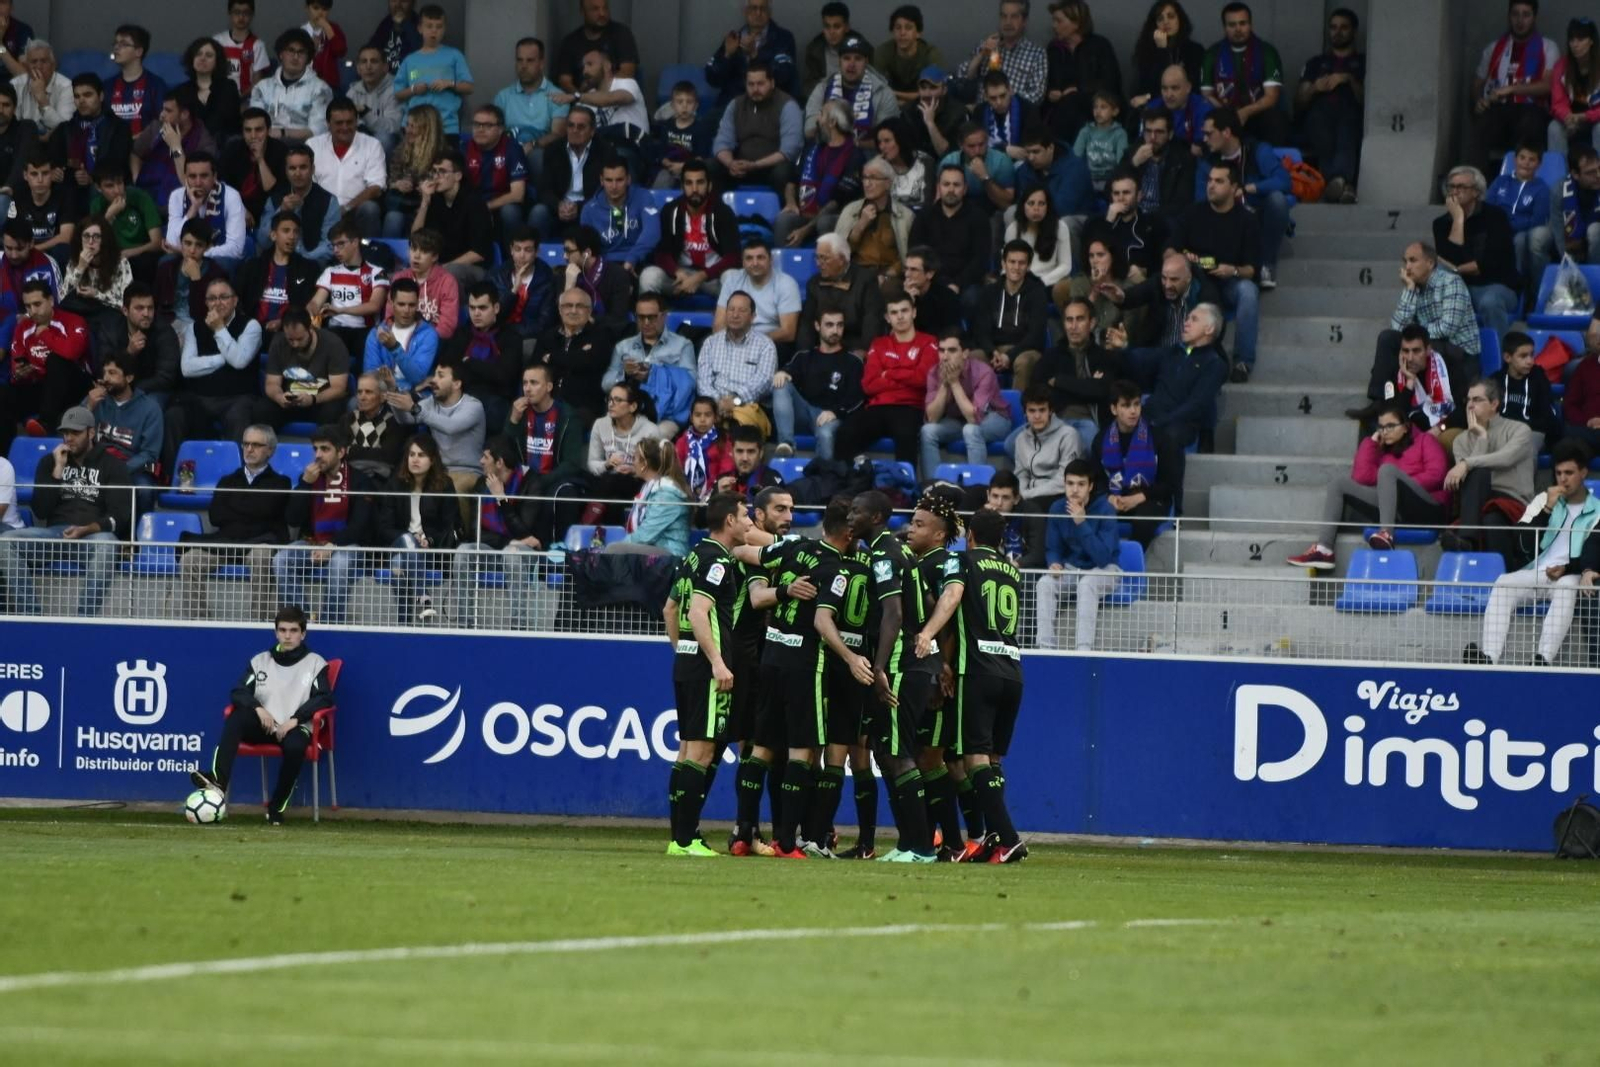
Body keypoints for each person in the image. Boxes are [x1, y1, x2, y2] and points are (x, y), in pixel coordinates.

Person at [916, 502, 1028, 861]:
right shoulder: (1012, 571)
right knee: (992, 760)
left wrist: (927, 634)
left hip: (978, 670)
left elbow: (951, 597)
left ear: (970, 536)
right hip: (1012, 670)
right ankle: (994, 838)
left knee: (973, 757)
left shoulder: (961, 561)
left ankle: (1009, 839)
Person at [663, 491, 751, 856]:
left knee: (687, 751)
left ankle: (682, 837)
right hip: (705, 668)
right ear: (730, 521)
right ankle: (685, 841)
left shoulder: (694, 554)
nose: (750, 522)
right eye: (745, 516)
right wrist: (715, 660)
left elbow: (670, 609)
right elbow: (697, 612)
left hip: (686, 663)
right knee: (701, 752)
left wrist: (682, 649)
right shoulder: (718, 561)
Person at [189, 606, 334, 825]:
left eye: (293, 631)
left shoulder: (315, 663)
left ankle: (276, 807)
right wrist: (258, 708)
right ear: (276, 633)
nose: (287, 636)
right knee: (236, 718)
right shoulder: (260, 661)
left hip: (295, 728)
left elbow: (324, 698)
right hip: (265, 726)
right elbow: (238, 692)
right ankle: (218, 783)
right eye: (282, 630)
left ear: (303, 634)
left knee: (295, 748)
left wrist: (295, 719)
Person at [1465, 440, 1598, 666]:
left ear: (1583, 473)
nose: (1563, 479)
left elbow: (1593, 554)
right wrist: (1546, 509)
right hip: (1539, 571)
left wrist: (1567, 568)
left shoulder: (1597, 511)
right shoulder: (1542, 500)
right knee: (1503, 582)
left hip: (1571, 574)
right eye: (1558, 473)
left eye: (1569, 473)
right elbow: (1522, 544)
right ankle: (1489, 657)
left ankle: (1543, 658)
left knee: (1567, 586)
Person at [1287, 399, 1451, 570]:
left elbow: (1437, 475)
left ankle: (1386, 534)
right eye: (1381, 427)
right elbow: (1361, 477)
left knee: (1387, 471)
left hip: (1428, 508)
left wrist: (1401, 483)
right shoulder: (1382, 451)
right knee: (1339, 484)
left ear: (1405, 427)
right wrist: (1371, 443)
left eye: (1390, 426)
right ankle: (1324, 550)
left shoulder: (1425, 440)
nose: (1385, 432)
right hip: (1396, 510)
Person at [1, 406, 128, 617]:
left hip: (92, 537)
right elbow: (41, 511)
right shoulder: (49, 462)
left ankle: (84, 621)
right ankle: (31, 616)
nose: (69, 438)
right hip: (54, 535)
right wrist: (57, 471)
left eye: (75, 433)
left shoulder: (113, 465)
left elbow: (120, 516)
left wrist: (87, 529)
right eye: (65, 432)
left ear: (91, 433)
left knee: (108, 543)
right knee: (6, 541)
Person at [176, 423, 291, 620]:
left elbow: (267, 511)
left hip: (258, 543)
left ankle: (259, 621)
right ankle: (198, 622)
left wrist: (237, 508)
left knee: (261, 555)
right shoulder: (227, 481)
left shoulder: (281, 482)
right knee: (190, 559)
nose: (249, 449)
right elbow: (216, 516)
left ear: (270, 450)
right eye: (246, 444)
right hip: (226, 543)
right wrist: (254, 509)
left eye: (256, 445)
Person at [1166, 163, 1259, 381]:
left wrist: (1233, 270)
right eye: (1209, 180)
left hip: (1228, 282)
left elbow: (1251, 269)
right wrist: (1181, 261)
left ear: (1234, 188)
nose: (1211, 185)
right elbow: (1169, 249)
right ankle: (1176, 356)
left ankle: (1243, 362)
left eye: (1219, 181)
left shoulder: (1247, 220)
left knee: (1248, 291)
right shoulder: (1193, 213)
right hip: (1195, 279)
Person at [274, 423, 374, 624]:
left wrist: (332, 545)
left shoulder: (361, 481)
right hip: (313, 543)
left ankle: (330, 623)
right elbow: (292, 519)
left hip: (348, 546)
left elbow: (360, 526)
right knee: (281, 559)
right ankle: (302, 620)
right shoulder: (309, 479)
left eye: (325, 449)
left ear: (341, 452)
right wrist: (305, 484)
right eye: (315, 449)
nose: (318, 455)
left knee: (340, 562)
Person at [1133, 303, 1228, 493]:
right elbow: (1141, 359)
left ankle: (1172, 502)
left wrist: (1161, 421)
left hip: (1181, 425)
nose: (1186, 323)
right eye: (1187, 318)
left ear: (1209, 329)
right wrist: (1123, 347)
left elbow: (1197, 405)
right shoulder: (1173, 352)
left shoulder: (1214, 364)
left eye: (1194, 319)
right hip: (1153, 414)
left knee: (1170, 437)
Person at [165, 276, 261, 457]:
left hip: (237, 397)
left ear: (235, 300)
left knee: (238, 416)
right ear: (206, 303)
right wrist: (223, 358)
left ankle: (235, 472)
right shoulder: (194, 327)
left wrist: (219, 329)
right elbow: (187, 368)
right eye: (212, 298)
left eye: (224, 297)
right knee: (174, 416)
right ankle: (173, 472)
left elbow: (239, 362)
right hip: (200, 398)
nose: (218, 303)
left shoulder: (251, 326)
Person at [836, 289, 936, 463]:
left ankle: (904, 481)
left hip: (911, 407)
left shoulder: (928, 342)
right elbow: (869, 385)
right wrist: (907, 375)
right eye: (894, 312)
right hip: (878, 407)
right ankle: (846, 479)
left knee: (906, 436)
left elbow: (922, 379)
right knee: (845, 432)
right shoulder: (879, 344)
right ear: (887, 318)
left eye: (904, 310)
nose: (900, 316)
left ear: (914, 312)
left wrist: (888, 373)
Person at [1444, 377, 1538, 558]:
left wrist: (1467, 463)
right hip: (1477, 501)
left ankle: (1497, 569)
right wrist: (1481, 438)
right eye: (1468, 400)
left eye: (1477, 400)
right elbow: (1466, 478)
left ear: (1494, 404)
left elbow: (1506, 458)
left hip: (1512, 499)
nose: (1470, 405)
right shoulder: (1460, 440)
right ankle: (1467, 541)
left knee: (1492, 519)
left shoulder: (1519, 429)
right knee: (1478, 475)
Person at [452, 435, 542, 625]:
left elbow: (525, 533)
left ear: (499, 462)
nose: (480, 461)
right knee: (463, 551)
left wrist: (501, 498)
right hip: (496, 549)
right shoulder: (481, 485)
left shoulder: (531, 482)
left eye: (485, 457)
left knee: (512, 553)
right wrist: (508, 541)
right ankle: (465, 622)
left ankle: (519, 625)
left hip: (525, 554)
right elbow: (475, 533)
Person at [1197, 107, 1288, 290]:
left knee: (1277, 200)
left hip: (1257, 215)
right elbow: (1200, 199)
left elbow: (1284, 181)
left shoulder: (1257, 150)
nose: (1204, 139)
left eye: (1209, 133)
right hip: (1225, 219)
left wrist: (1248, 189)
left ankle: (1266, 265)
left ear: (1226, 132)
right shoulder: (1207, 161)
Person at [1035, 457, 1119, 651]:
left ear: (1090, 486)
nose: (1074, 489)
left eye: (1081, 484)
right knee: (1045, 583)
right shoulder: (1057, 508)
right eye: (1070, 483)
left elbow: (1103, 558)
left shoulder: (1105, 509)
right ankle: (1045, 648)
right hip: (1072, 569)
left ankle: (1083, 650)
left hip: (1106, 570)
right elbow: (1053, 548)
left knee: (1087, 584)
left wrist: (1081, 523)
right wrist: (1054, 562)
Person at [377, 432, 460, 624]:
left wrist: (429, 540)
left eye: (421, 455)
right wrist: (412, 538)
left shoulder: (444, 485)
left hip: (431, 552)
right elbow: (384, 527)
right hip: (400, 544)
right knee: (407, 541)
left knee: (398, 564)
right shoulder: (395, 484)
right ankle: (423, 597)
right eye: (411, 454)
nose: (415, 459)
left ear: (432, 460)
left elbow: (451, 525)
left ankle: (404, 624)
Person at [1434, 165, 1520, 337]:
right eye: (1451, 187)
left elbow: (1491, 262)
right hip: (1460, 288)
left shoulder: (1496, 216)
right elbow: (1449, 259)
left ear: (1476, 192)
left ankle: (1501, 352)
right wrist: (1458, 219)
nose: (1455, 192)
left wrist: (1457, 269)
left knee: (1490, 302)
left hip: (1496, 285)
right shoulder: (1441, 223)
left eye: (1461, 187)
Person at [1089, 380, 1176, 547]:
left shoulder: (1159, 438)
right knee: (1093, 516)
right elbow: (1096, 480)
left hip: (1150, 498)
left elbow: (1168, 485)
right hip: (1115, 497)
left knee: (1143, 521)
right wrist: (1109, 497)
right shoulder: (1101, 440)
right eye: (1126, 405)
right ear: (1114, 409)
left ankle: (1131, 560)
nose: (1133, 411)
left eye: (1136, 404)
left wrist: (1138, 498)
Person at [507, 362, 586, 546]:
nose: (527, 388)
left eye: (534, 383)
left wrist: (540, 482)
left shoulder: (568, 416)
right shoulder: (519, 412)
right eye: (525, 383)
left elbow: (571, 463)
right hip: (524, 478)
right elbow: (505, 451)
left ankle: (561, 551)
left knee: (565, 495)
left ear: (549, 386)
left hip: (553, 478)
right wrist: (513, 421)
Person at [920, 328, 1011, 481]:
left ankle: (977, 486)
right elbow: (932, 418)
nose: (945, 357)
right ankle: (932, 485)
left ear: (965, 353)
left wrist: (954, 383)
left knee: (971, 430)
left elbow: (973, 418)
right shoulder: (934, 372)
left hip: (994, 418)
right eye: (941, 350)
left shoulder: (983, 372)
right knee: (927, 431)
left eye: (952, 350)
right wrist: (944, 384)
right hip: (958, 420)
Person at [772, 306, 862, 460]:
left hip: (833, 416)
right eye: (829, 325)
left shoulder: (852, 361)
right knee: (781, 383)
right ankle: (786, 444)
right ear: (817, 326)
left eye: (839, 325)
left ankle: (825, 473)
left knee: (825, 433)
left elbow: (857, 397)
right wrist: (782, 373)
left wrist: (835, 412)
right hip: (804, 412)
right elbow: (789, 371)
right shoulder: (804, 357)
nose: (835, 330)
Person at [3, 278, 89, 438]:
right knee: (4, 394)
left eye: (37, 304)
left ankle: (46, 423)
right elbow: (16, 364)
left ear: (51, 300)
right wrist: (20, 373)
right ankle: (5, 448)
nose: (32, 311)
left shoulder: (74, 321)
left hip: (74, 386)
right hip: (42, 386)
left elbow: (72, 352)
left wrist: (45, 334)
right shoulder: (23, 328)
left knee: (55, 360)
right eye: (28, 306)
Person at [642, 160, 739, 300]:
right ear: (682, 187)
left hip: (713, 276)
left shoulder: (723, 212)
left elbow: (733, 257)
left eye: (700, 182)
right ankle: (653, 313)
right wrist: (676, 271)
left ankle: (725, 314)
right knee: (649, 276)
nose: (694, 189)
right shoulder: (670, 210)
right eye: (689, 183)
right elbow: (661, 253)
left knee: (732, 277)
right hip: (681, 276)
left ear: (709, 186)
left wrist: (701, 276)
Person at [1475, 0, 1560, 159]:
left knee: (1530, 121)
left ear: (1534, 17)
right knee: (1484, 122)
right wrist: (1478, 101)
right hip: (1498, 108)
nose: (1520, 21)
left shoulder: (1548, 47)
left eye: (1526, 15)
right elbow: (1478, 83)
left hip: (1532, 109)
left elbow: (1548, 85)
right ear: (1509, 17)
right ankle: (1477, 174)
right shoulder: (1494, 48)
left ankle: (1522, 173)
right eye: (1515, 14)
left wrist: (1512, 89)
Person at [604, 291, 696, 435]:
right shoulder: (623, 347)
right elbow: (606, 384)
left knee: (654, 435)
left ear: (664, 316)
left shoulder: (682, 345)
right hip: (628, 410)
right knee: (603, 428)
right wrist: (624, 375)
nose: (646, 322)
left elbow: (691, 383)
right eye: (641, 317)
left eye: (651, 317)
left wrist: (653, 375)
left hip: (666, 415)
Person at [1296, 8, 1363, 204]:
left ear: (1354, 31)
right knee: (1320, 124)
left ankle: (1335, 182)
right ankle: (1343, 185)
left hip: (1351, 115)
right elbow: (1299, 103)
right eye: (1333, 27)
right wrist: (1315, 88)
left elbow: (1367, 101)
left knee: (1348, 126)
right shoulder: (1316, 63)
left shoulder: (1364, 62)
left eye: (1344, 27)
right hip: (1320, 116)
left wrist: (1348, 79)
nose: (1337, 32)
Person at [1355, 324, 1468, 442]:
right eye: (1405, 351)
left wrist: (1440, 428)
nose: (1410, 358)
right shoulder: (1395, 373)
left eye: (1416, 351)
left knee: (1448, 438)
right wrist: (1409, 383)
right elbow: (1394, 417)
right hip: (1411, 434)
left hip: (1443, 429)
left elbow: (1462, 409)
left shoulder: (1448, 367)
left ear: (1428, 350)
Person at [777, 98, 863, 248]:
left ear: (832, 122)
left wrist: (805, 230)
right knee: (784, 220)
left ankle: (828, 262)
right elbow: (792, 179)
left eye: (821, 114)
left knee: (824, 222)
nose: (817, 119)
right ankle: (783, 261)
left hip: (836, 216)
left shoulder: (855, 156)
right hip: (806, 213)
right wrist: (790, 202)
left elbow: (837, 201)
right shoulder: (812, 147)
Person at [710, 61, 803, 198]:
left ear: (772, 83)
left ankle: (784, 210)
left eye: (760, 84)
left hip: (772, 168)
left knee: (784, 172)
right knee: (709, 167)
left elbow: (789, 151)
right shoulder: (736, 105)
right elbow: (722, 143)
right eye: (751, 84)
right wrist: (730, 163)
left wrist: (755, 165)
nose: (755, 89)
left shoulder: (787, 105)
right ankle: (715, 209)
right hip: (740, 168)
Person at [1199, 2, 1288, 145]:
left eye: (1242, 23)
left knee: (1275, 118)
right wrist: (1227, 114)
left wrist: (1245, 112)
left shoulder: (1267, 52)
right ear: (1224, 27)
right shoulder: (1212, 54)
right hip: (1224, 115)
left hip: (1257, 113)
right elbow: (1206, 95)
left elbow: (1271, 97)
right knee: (1205, 116)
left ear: (1250, 25)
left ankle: (1269, 157)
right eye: (1232, 25)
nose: (1238, 29)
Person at [1037, 297, 1121, 446]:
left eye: (1080, 319)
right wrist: (1088, 385)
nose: (1073, 326)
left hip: (1087, 422)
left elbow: (1102, 390)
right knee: (1011, 443)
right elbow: (1037, 392)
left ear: (1092, 323)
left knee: (1089, 444)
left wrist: (1059, 381)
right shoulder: (1051, 356)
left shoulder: (1104, 357)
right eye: (1069, 320)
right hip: (1054, 420)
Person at [84, 352, 161, 510]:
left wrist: (119, 470)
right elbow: (72, 436)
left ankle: (138, 527)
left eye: (112, 373)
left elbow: (149, 454)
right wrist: (88, 408)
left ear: (129, 378)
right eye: (104, 372)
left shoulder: (150, 408)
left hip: (131, 469)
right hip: (95, 466)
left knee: (145, 490)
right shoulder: (94, 400)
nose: (105, 378)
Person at [49, 74, 132, 219]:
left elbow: (117, 164)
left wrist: (92, 178)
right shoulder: (65, 129)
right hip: (71, 186)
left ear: (101, 96)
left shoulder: (118, 127)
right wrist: (54, 172)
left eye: (87, 95)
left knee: (96, 189)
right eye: (77, 96)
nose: (81, 101)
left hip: (104, 185)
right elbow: (53, 160)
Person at [908, 166, 991, 308]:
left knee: (973, 298)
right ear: (938, 187)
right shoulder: (924, 216)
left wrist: (957, 284)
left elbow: (980, 260)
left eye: (956, 185)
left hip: (966, 284)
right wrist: (942, 283)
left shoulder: (979, 217)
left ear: (965, 189)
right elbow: (915, 253)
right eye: (946, 184)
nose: (951, 189)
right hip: (929, 280)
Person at [257, 306, 350, 431]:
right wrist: (279, 397)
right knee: (262, 409)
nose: (295, 344)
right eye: (290, 340)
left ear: (310, 328)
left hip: (320, 400)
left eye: (300, 339)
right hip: (290, 401)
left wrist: (313, 399)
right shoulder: (278, 342)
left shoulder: (333, 344)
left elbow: (339, 388)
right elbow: (271, 383)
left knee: (333, 410)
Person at [973, 240, 1049, 391]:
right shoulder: (989, 292)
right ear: (1003, 263)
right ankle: (979, 404)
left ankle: (1019, 405)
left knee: (1023, 362)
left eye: (1021, 263)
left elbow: (1036, 335)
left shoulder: (1037, 293)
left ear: (1028, 266)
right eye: (1012, 262)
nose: (1016, 267)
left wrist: (1010, 355)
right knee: (973, 357)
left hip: (1026, 350)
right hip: (995, 349)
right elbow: (980, 330)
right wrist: (992, 352)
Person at [443, 282, 521, 430]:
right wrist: (486, 370)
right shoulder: (462, 334)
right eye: (472, 308)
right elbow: (448, 368)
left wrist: (469, 362)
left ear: (496, 308)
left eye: (482, 308)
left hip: (495, 400)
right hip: (462, 395)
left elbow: (504, 376)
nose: (476, 313)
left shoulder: (511, 337)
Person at [305, 98, 386, 239]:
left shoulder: (372, 145)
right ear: (328, 124)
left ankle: (369, 250)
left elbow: (376, 187)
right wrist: (329, 211)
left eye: (349, 122)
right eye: (339, 123)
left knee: (370, 209)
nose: (345, 127)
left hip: (354, 211)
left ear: (357, 122)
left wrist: (346, 208)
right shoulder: (313, 145)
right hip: (321, 211)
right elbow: (306, 182)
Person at [309, 218, 390, 359]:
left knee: (368, 345)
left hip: (365, 331)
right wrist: (313, 312)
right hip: (336, 330)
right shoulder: (330, 271)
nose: (336, 250)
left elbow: (374, 306)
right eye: (333, 245)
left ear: (355, 242)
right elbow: (316, 301)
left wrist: (341, 310)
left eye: (341, 244)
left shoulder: (377, 272)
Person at [1044, 0, 1123, 146]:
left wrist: (1079, 89)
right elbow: (1048, 81)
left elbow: (1112, 82)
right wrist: (1051, 93)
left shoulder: (1100, 46)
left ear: (1076, 23)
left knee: (1073, 102)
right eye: (1053, 21)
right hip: (1061, 111)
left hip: (1093, 107)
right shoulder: (1054, 49)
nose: (1054, 26)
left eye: (1059, 21)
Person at [700, 290, 778, 435]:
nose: (735, 315)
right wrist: (719, 402)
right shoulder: (710, 343)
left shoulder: (765, 345)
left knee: (738, 427)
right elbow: (703, 381)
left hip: (748, 406)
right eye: (731, 309)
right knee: (701, 418)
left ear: (753, 316)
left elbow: (764, 382)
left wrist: (735, 401)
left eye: (742, 310)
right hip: (715, 406)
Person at [411, 150, 493, 286]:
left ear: (458, 176)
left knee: (452, 272)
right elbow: (415, 239)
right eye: (434, 171)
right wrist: (425, 203)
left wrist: (443, 269)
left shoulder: (474, 202)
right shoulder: (435, 199)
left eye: (442, 172)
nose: (436, 177)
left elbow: (478, 253)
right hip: (440, 265)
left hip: (473, 269)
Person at [583, 380, 659, 526]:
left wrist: (634, 469)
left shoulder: (650, 430)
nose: (611, 404)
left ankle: (586, 525)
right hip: (607, 482)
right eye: (610, 399)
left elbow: (656, 470)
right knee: (613, 498)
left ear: (633, 406)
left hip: (637, 481)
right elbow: (592, 462)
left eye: (618, 400)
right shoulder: (600, 425)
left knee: (612, 483)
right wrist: (607, 464)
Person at [793, 233, 884, 354]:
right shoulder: (814, 283)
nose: (818, 263)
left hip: (854, 347)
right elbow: (807, 324)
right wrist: (804, 354)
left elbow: (872, 322)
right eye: (817, 257)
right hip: (823, 347)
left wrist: (866, 351)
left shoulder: (866, 280)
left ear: (841, 259)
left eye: (824, 258)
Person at [496, 37, 569, 188]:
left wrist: (533, 144)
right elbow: (494, 130)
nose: (523, 66)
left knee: (537, 157)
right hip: (509, 149)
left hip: (540, 151)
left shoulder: (557, 95)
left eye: (530, 61)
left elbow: (558, 134)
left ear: (541, 63)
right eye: (519, 60)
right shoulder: (503, 97)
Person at [1486, 143, 1556, 301]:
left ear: (1539, 164)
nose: (1526, 163)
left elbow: (1537, 220)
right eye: (1522, 158)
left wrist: (1508, 226)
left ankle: (1521, 291)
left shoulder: (1542, 189)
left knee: (1520, 240)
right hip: (1497, 228)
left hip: (1522, 232)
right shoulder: (1500, 181)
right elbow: (1488, 207)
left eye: (1532, 159)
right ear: (1515, 160)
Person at [93, 283, 178, 410]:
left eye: (150, 308)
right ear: (125, 311)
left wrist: (128, 389)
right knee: (93, 400)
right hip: (117, 387)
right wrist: (128, 353)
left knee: (147, 406)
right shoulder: (110, 330)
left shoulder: (164, 332)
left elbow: (166, 378)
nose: (146, 313)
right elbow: (102, 369)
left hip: (154, 391)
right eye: (139, 308)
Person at [802, 32, 898, 145]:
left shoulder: (883, 93)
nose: (851, 64)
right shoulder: (822, 88)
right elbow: (809, 131)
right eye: (846, 58)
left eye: (858, 59)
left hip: (867, 153)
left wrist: (852, 144)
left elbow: (887, 141)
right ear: (839, 61)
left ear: (866, 62)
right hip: (827, 149)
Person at [131, 88, 216, 213]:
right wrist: (136, 177)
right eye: (163, 109)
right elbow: (135, 153)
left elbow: (190, 183)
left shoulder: (203, 143)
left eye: (168, 111)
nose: (162, 114)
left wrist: (176, 147)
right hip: (144, 199)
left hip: (179, 207)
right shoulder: (157, 127)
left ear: (184, 114)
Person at [536, 284, 611, 426]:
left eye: (580, 306)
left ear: (589, 311)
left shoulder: (600, 337)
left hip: (582, 406)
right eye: (568, 306)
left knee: (567, 421)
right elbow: (536, 368)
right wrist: (577, 356)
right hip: (547, 400)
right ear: (560, 310)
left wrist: (552, 357)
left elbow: (589, 363)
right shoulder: (547, 337)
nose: (573, 310)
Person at [393, 4, 473, 136]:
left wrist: (449, 84)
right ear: (420, 28)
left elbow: (469, 87)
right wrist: (413, 90)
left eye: (439, 27)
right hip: (415, 126)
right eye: (429, 26)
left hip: (446, 126)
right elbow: (397, 94)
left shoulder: (454, 55)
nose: (434, 31)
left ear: (444, 29)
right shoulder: (410, 60)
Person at [236, 212, 319, 333]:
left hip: (290, 332)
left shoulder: (308, 269)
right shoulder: (253, 267)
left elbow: (307, 307)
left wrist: (284, 322)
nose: (292, 236)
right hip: (253, 330)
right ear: (273, 235)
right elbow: (238, 299)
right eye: (286, 231)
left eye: (296, 232)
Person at [257, 146, 340, 266]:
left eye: (303, 167)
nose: (297, 173)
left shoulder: (329, 201)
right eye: (292, 168)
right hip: (278, 264)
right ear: (286, 171)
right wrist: (281, 211)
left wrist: (303, 261)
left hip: (313, 266)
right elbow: (263, 241)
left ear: (312, 169)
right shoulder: (275, 200)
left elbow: (330, 244)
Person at [713, 237, 801, 350]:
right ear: (743, 262)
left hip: (770, 342)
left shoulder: (786, 283)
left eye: (760, 257)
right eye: (749, 258)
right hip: (735, 338)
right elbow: (719, 325)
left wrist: (749, 341)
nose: (755, 263)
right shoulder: (732, 280)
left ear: (771, 260)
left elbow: (788, 332)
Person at [531, 105, 603, 241]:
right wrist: (558, 205)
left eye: (581, 127)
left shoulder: (604, 151)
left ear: (592, 131)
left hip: (588, 207)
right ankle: (535, 252)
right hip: (558, 209)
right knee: (538, 212)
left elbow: (604, 191)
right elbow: (544, 189)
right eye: (571, 126)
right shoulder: (553, 149)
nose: (575, 130)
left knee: (599, 212)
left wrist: (579, 207)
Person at [611, 436, 691, 557]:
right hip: (655, 549)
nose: (633, 463)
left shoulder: (666, 494)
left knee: (613, 550)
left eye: (634, 458)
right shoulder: (651, 488)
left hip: (671, 554)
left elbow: (645, 535)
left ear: (644, 463)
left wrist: (620, 544)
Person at [164, 153, 247, 270]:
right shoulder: (177, 196)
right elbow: (172, 243)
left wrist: (198, 253)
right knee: (166, 262)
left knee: (222, 264)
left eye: (204, 176)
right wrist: (194, 208)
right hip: (186, 256)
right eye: (192, 176)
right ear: (185, 177)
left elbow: (236, 248)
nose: (198, 183)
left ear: (214, 177)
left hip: (218, 259)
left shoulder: (231, 196)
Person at [707, 0, 800, 104]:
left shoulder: (783, 38)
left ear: (770, 12)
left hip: (769, 104)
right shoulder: (734, 38)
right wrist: (727, 56)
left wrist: (755, 56)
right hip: (734, 102)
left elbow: (783, 77)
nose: (758, 13)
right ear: (745, 11)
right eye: (753, 8)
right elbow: (712, 79)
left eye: (763, 9)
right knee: (712, 114)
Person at [558, 45, 648, 150]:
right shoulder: (585, 99)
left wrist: (577, 96)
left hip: (633, 147)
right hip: (602, 151)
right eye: (583, 67)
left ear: (607, 66)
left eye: (590, 64)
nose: (585, 71)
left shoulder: (627, 83)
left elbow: (613, 98)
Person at [836, 156, 913, 277]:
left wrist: (892, 272)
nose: (867, 183)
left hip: (891, 276)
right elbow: (838, 254)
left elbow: (909, 254)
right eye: (865, 178)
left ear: (888, 183)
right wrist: (860, 226)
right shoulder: (850, 210)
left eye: (873, 178)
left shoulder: (905, 215)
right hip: (857, 275)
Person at [250, 28, 331, 143]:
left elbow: (318, 131)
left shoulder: (321, 89)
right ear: (281, 54)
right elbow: (254, 125)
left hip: (304, 147)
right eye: (291, 50)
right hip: (266, 144)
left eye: (301, 52)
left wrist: (283, 133)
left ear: (308, 58)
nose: (295, 56)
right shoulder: (262, 88)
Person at [578, 157, 659, 271]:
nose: (614, 186)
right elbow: (587, 248)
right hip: (605, 268)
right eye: (609, 180)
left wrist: (632, 259)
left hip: (639, 262)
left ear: (628, 179)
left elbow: (652, 232)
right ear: (601, 181)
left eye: (619, 180)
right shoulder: (589, 210)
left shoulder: (643, 197)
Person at [964, 0, 1048, 106]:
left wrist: (1007, 97)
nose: (1008, 22)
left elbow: (1037, 96)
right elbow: (963, 77)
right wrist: (981, 54)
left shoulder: (1037, 54)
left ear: (1024, 21)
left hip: (1016, 112)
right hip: (983, 111)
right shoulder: (987, 45)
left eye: (1014, 17)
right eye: (1004, 16)